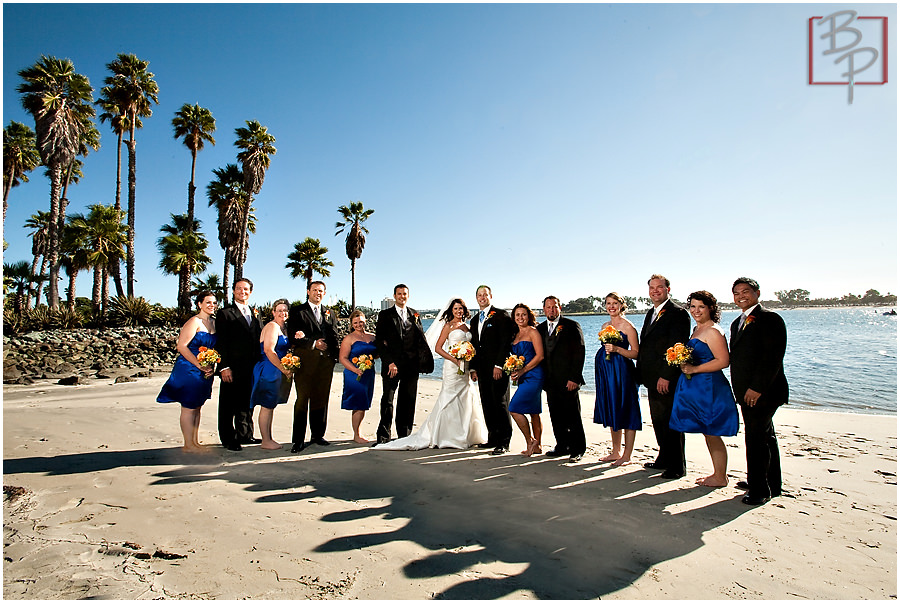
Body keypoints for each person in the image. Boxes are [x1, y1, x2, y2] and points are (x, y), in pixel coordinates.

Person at [374, 298, 487, 450]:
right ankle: (445, 435)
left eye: (461, 309)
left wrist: (472, 368)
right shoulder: (448, 326)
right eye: (455, 309)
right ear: (451, 311)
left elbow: (472, 350)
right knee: (448, 398)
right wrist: (454, 359)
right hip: (452, 367)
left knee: (466, 398)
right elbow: (439, 348)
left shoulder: (467, 327)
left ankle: (465, 434)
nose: (458, 311)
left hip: (465, 369)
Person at [669, 291, 739, 487]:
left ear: (711, 309)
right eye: (692, 306)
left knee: (712, 430)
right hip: (697, 387)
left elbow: (724, 361)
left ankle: (720, 476)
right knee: (708, 431)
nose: (696, 310)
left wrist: (694, 368)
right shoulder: (697, 329)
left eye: (701, 306)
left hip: (710, 386)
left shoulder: (713, 331)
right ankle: (718, 474)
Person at [729, 277, 789, 505]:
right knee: (765, 436)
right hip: (745, 392)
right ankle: (771, 482)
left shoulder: (770, 319)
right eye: (736, 293)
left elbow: (772, 358)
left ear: (757, 293)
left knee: (756, 438)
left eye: (745, 291)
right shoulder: (737, 323)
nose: (741, 296)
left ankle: (759, 490)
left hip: (764, 392)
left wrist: (756, 388)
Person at [636, 274, 691, 478]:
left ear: (668, 289)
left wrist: (666, 375)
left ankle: (677, 466)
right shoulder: (651, 312)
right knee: (658, 420)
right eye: (652, 288)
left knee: (671, 421)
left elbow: (677, 346)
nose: (655, 291)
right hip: (651, 377)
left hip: (665, 377)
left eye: (659, 287)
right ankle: (664, 458)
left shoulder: (677, 313)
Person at [157, 291, 218, 452]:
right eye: (208, 302)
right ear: (199, 304)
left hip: (205, 370)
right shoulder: (194, 322)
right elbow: (181, 346)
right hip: (189, 368)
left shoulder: (213, 323)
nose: (212, 305)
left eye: (214, 302)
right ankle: (188, 444)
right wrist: (199, 365)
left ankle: (195, 441)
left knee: (197, 405)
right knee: (188, 406)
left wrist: (209, 365)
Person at [374, 284, 434, 443]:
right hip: (392, 365)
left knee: (408, 400)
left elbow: (420, 339)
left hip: (411, 365)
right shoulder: (385, 315)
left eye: (404, 294)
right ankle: (383, 436)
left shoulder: (414, 313)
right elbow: (379, 341)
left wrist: (423, 360)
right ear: (394, 296)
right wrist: (389, 362)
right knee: (387, 399)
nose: (402, 296)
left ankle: (404, 434)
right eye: (399, 294)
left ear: (408, 295)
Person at [287, 280, 339, 453]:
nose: (318, 293)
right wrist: (312, 343)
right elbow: (292, 337)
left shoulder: (330, 313)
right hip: (305, 364)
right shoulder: (297, 311)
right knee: (302, 400)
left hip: (325, 365)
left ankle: (317, 435)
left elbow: (334, 336)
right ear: (308, 291)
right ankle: (298, 440)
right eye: (315, 290)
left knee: (321, 400)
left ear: (324, 293)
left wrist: (336, 358)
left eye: (321, 291)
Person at [593, 292, 641, 466]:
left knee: (626, 408)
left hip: (623, 372)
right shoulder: (606, 325)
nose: (611, 306)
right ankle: (615, 451)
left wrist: (617, 350)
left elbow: (636, 353)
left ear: (621, 305)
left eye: (614, 303)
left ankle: (627, 454)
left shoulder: (628, 327)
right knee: (613, 407)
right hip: (607, 372)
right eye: (608, 303)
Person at [537, 295, 587, 462]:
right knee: (556, 415)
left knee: (572, 415)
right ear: (544, 309)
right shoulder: (541, 328)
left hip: (568, 380)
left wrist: (574, 377)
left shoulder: (572, 326)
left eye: (554, 306)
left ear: (560, 308)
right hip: (550, 381)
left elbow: (579, 352)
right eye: (548, 307)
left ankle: (577, 449)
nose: (551, 310)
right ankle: (562, 446)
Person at [216, 278, 263, 451]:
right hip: (232, 366)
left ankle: (245, 434)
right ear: (234, 291)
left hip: (252, 366)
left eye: (245, 289)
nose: (242, 292)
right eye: (238, 289)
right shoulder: (225, 313)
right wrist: (224, 366)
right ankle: (228, 438)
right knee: (228, 403)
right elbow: (221, 342)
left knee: (247, 401)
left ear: (250, 292)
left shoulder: (255, 313)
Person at [469, 285, 515, 455]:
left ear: (491, 296)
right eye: (479, 295)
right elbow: (474, 345)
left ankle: (504, 441)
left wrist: (499, 365)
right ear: (476, 298)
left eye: (485, 295)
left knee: (501, 403)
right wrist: (473, 368)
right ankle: (493, 438)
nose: (482, 297)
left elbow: (505, 342)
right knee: (487, 403)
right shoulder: (474, 320)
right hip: (481, 369)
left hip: (497, 368)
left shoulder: (501, 315)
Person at [249, 299, 298, 451]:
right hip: (270, 368)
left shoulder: (285, 328)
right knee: (267, 405)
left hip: (278, 368)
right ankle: (266, 440)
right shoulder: (272, 326)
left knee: (271, 405)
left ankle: (268, 438)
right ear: (273, 312)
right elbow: (269, 350)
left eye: (285, 310)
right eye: (279, 310)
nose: (282, 313)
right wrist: (283, 369)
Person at [507, 303, 545, 457]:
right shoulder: (515, 335)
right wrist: (513, 369)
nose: (520, 317)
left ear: (529, 316)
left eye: (523, 314)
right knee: (534, 412)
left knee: (514, 408)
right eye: (517, 315)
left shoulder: (533, 332)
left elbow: (540, 355)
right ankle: (538, 446)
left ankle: (530, 441)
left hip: (534, 375)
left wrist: (523, 370)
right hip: (522, 376)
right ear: (514, 317)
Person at [339, 310, 378, 444]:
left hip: (368, 373)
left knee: (364, 403)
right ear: (351, 324)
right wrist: (355, 370)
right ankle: (356, 434)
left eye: (361, 322)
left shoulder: (372, 337)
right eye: (355, 323)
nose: (358, 325)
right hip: (353, 374)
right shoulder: (349, 338)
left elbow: (376, 354)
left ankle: (358, 431)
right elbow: (342, 358)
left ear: (365, 321)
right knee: (358, 404)